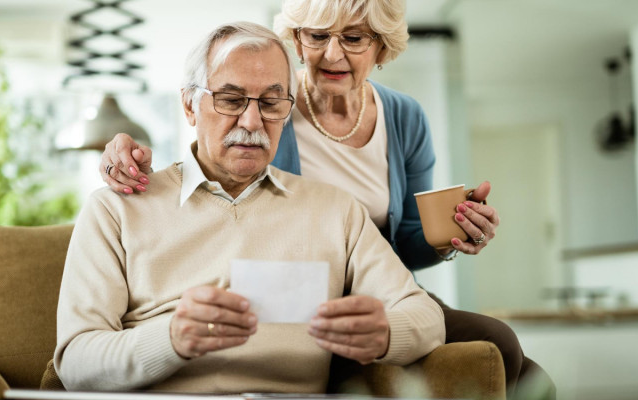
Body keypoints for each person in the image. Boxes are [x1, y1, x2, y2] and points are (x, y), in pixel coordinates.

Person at [97, 1, 554, 398]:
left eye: (354, 37)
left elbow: (410, 240)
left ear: (381, 46)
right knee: (504, 350)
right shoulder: (270, 99)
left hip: (372, 285)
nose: (332, 54)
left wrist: (450, 236)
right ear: (297, 38)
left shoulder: (404, 117)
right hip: (297, 286)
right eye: (317, 35)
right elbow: (212, 154)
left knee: (519, 364)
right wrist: (123, 151)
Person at [54, 21, 445, 393]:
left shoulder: (335, 211)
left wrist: (387, 333)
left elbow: (426, 318)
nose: (253, 120)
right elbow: (75, 362)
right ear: (190, 106)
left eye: (272, 103)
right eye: (231, 99)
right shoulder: (117, 209)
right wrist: (170, 338)